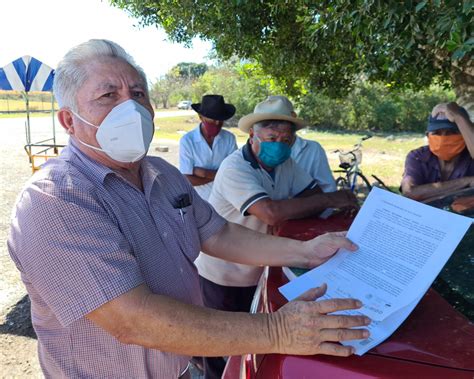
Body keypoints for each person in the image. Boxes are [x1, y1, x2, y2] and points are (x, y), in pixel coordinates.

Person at [7, 40, 370, 379]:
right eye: (107, 95)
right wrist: (279, 331)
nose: (129, 108)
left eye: (137, 94)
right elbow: (133, 321)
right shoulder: (55, 199)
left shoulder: (161, 174)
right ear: (69, 121)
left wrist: (306, 251)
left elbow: (218, 232)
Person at [401, 102, 474, 201]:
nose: (443, 138)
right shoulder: (418, 157)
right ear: (428, 136)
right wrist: (466, 182)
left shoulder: (470, 156)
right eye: (437, 133)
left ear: (464, 135)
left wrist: (458, 117)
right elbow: (410, 192)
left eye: (451, 132)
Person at [268, 95, 337, 192]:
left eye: (280, 121)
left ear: (292, 119)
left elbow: (328, 189)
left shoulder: (313, 150)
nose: (275, 128)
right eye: (268, 124)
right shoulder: (257, 152)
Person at [179, 94, 237, 200]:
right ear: (201, 117)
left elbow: (233, 173)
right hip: (198, 201)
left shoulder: (229, 139)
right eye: (213, 119)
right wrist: (219, 176)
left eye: (220, 120)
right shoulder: (188, 141)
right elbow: (187, 179)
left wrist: (204, 173)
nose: (217, 123)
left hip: (224, 200)